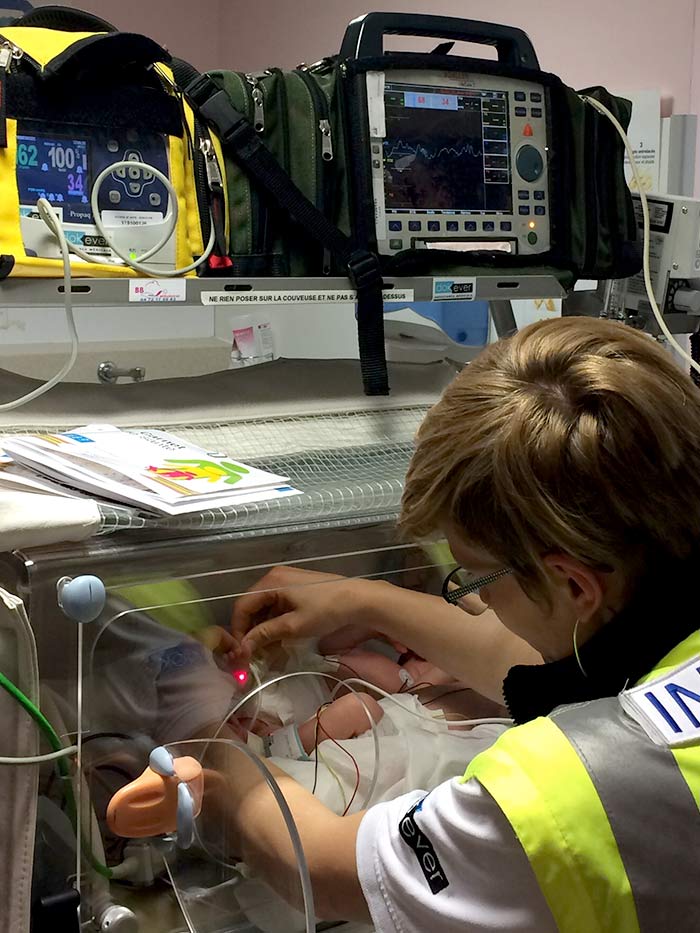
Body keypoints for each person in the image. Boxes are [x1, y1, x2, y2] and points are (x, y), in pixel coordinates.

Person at [196, 317, 700, 931]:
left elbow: (324, 873)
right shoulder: (660, 593)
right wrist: (365, 600)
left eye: (477, 581)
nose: (476, 600)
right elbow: (523, 656)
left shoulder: (566, 792)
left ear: (574, 586)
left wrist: (216, 752)